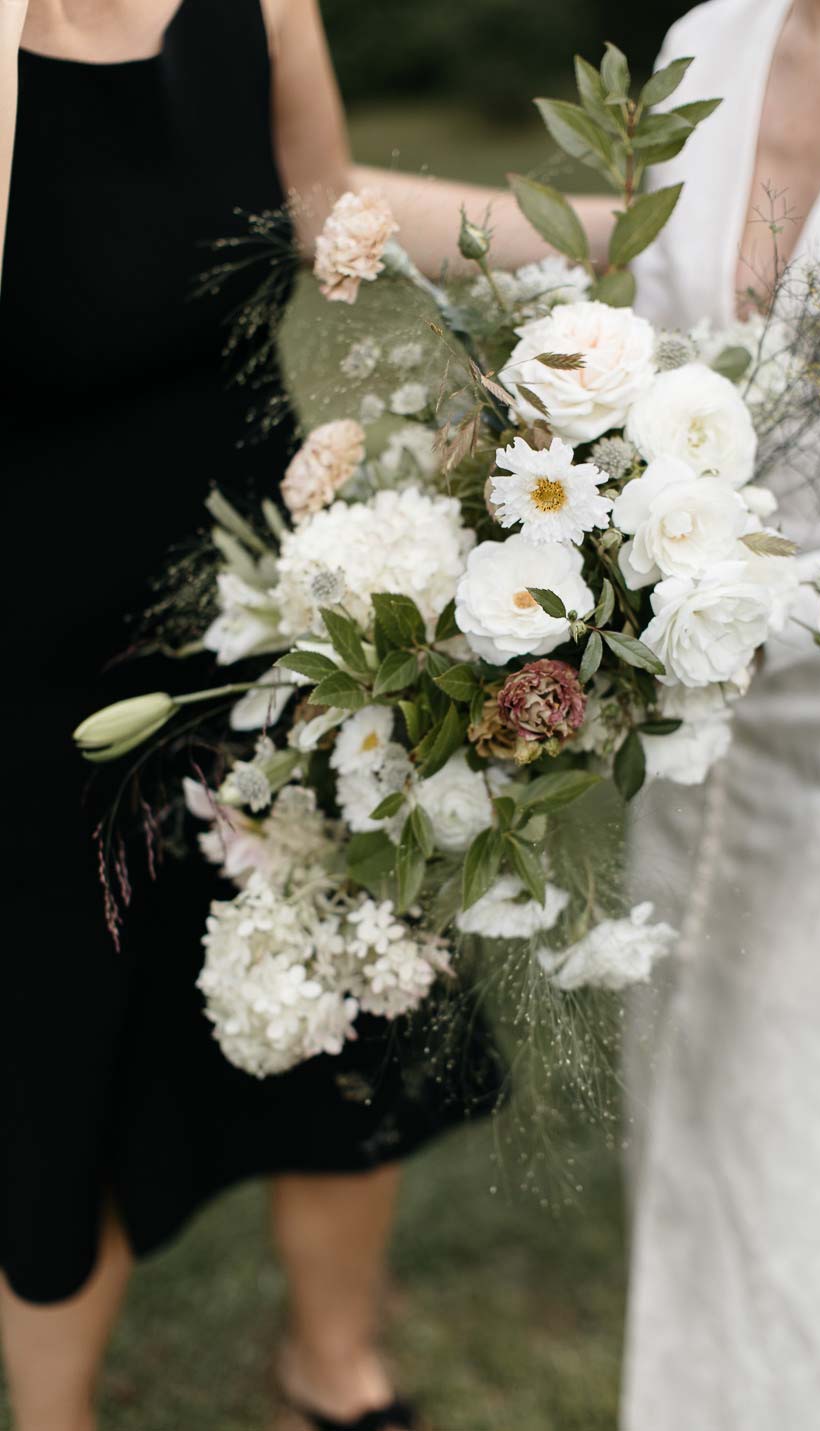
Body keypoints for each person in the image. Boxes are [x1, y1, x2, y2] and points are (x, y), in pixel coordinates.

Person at [0, 4, 502, 1428]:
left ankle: (334, 1369)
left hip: (260, 603)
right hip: (32, 652)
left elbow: (323, 193)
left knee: (345, 974)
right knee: (58, 1044)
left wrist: (592, 224)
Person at [614, 0, 820, 1425]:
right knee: (679, 1130)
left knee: (811, 1159)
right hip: (685, 714)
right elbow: (642, 335)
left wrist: (795, 606)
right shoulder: (706, 40)